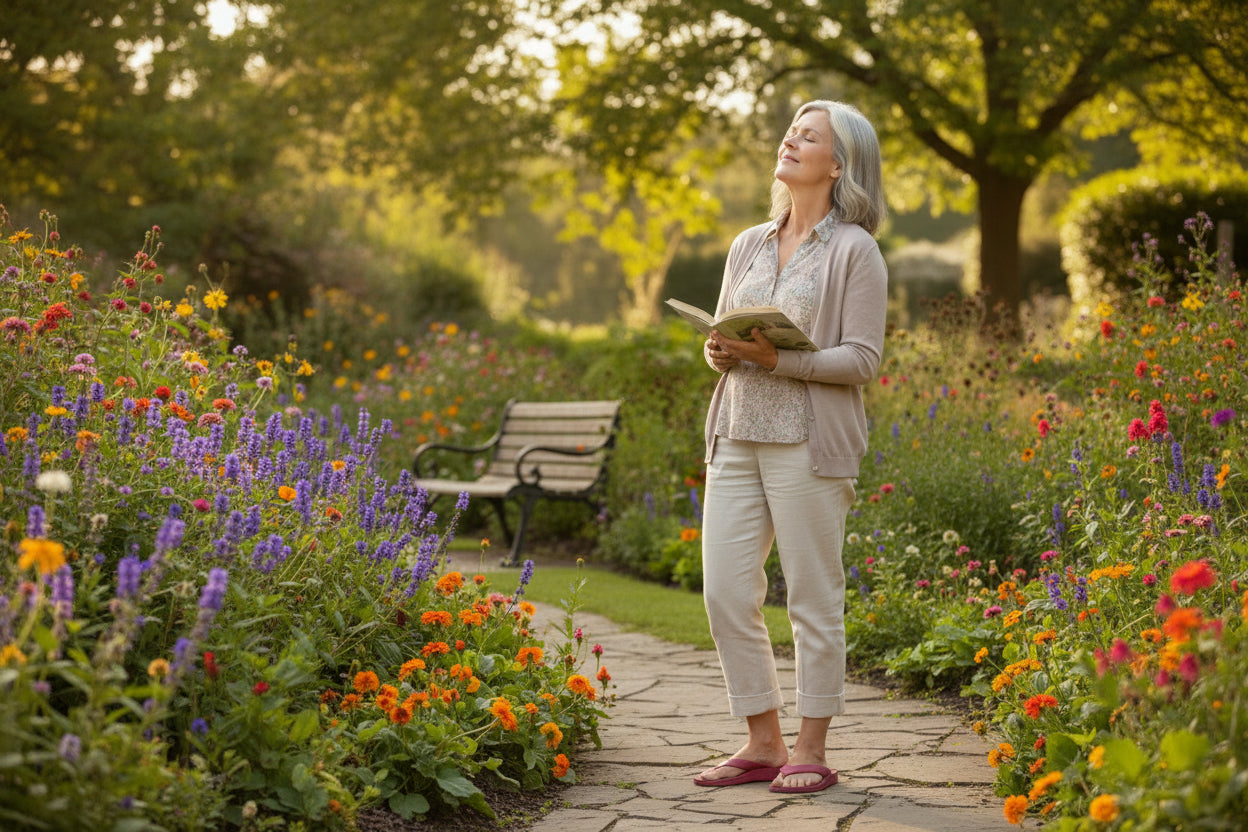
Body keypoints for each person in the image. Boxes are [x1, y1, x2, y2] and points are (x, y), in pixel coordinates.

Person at [691, 100, 888, 794]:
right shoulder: (748, 241)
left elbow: (862, 359)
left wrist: (780, 362)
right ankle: (762, 740)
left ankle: (812, 744)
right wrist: (722, 351)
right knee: (723, 592)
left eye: (809, 136)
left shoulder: (855, 250)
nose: (792, 140)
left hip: (809, 444)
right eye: (791, 132)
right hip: (736, 436)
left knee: (811, 597)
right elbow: (727, 337)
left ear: (839, 165)